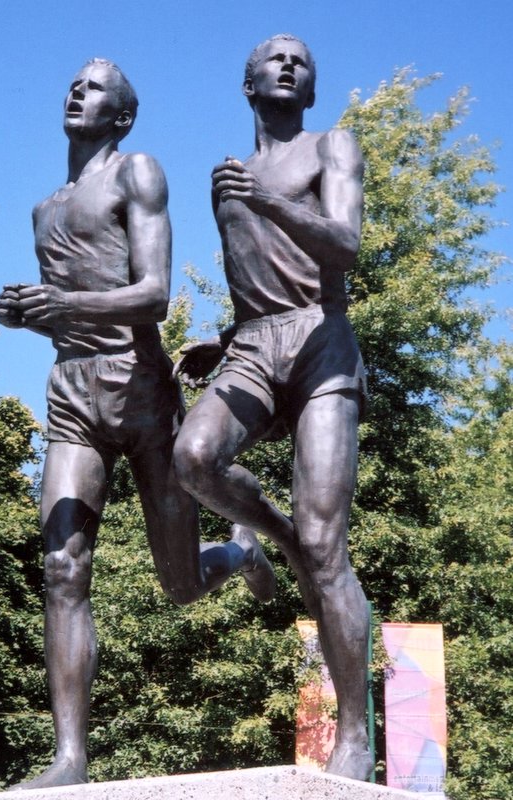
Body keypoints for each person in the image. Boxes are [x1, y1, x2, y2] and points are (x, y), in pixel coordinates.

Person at [0, 58, 275, 789]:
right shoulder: (44, 209)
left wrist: (64, 307)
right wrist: (30, 318)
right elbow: (71, 314)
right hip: (71, 397)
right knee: (62, 569)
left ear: (120, 116)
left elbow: (151, 295)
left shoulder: (136, 171)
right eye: (72, 83)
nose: (75, 90)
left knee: (181, 587)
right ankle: (69, 759)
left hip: (141, 393)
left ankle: (241, 551)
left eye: (94, 88)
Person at [172, 35, 373, 781]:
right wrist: (222, 337)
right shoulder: (226, 178)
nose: (289, 64)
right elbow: (259, 276)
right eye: (273, 57)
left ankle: (354, 736)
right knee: (193, 459)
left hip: (323, 342)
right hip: (257, 343)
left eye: (302, 60)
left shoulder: (331, 145)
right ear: (248, 82)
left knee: (328, 551)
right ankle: (267, 541)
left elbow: (344, 245)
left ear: (310, 88)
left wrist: (273, 200)